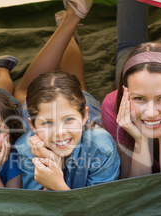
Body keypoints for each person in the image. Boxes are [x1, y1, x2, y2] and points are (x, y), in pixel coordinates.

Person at [13, 0, 120, 190]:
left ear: (84, 115)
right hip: (59, 106)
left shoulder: (102, 147)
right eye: (47, 123)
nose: (60, 132)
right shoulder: (26, 149)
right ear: (32, 125)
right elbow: (40, 211)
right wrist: (48, 162)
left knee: (23, 91)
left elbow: (98, 212)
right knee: (25, 93)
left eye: (68, 120)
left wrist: (58, 186)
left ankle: (68, 27)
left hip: (80, 107)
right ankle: (69, 28)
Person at [101, 42, 161, 178]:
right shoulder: (112, 107)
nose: (151, 113)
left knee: (125, 49)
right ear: (125, 94)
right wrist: (140, 141)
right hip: (97, 107)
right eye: (139, 98)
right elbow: (135, 189)